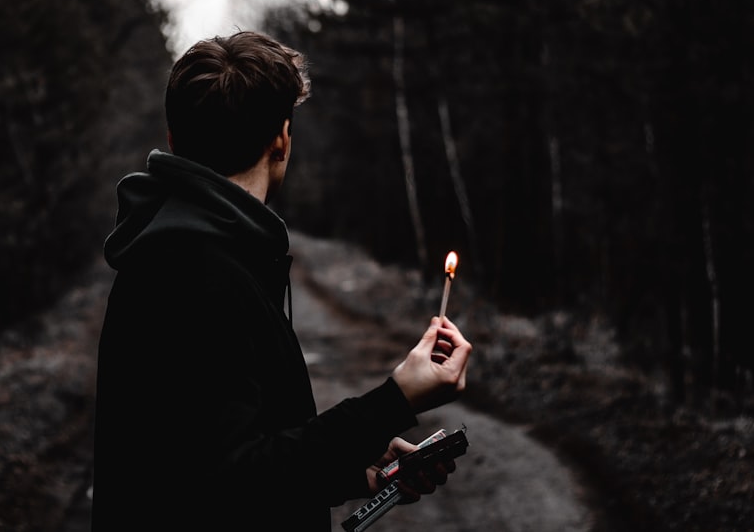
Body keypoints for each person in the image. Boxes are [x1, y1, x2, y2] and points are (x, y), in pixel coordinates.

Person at [90, 31, 472, 531]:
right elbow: (228, 482)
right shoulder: (190, 269)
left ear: (173, 139)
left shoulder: (202, 253)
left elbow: (218, 459)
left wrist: (356, 469)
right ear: (281, 138)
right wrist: (392, 402)